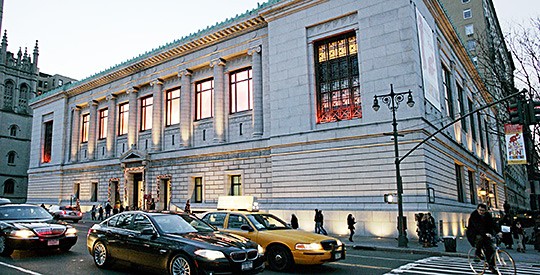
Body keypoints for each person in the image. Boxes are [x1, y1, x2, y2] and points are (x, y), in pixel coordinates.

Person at [467, 203, 499, 273]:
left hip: (486, 234)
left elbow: (493, 223)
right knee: (480, 238)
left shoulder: (487, 215)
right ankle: (477, 252)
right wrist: (485, 233)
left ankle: (491, 266)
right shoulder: (474, 215)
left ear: (485, 211)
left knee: (491, 249)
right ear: (477, 209)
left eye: (483, 210)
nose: (481, 212)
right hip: (474, 234)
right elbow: (478, 226)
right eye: (480, 210)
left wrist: (498, 231)